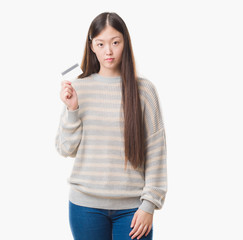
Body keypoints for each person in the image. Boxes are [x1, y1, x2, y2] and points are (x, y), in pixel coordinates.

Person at [55, 12, 167, 240]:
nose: (108, 51)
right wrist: (72, 110)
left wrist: (149, 205)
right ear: (92, 46)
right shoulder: (78, 88)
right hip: (85, 207)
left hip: (133, 209)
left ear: (125, 43)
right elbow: (65, 149)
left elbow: (156, 151)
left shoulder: (144, 90)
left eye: (115, 42)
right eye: (101, 43)